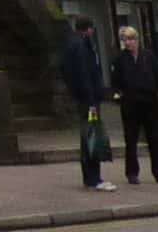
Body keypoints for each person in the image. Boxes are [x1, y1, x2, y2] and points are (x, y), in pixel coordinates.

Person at [59, 16, 117, 195]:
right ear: (88, 29)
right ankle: (94, 178)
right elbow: (85, 75)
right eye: (92, 28)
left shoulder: (72, 44)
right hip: (89, 102)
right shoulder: (82, 46)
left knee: (88, 136)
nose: (93, 32)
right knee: (92, 136)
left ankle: (90, 177)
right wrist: (91, 100)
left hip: (83, 99)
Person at [111, 23, 158, 185]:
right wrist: (118, 95)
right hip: (131, 103)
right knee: (131, 139)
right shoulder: (120, 59)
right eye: (125, 40)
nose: (128, 43)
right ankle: (132, 173)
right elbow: (115, 81)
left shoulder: (148, 56)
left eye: (131, 39)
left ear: (137, 40)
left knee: (155, 139)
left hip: (150, 102)